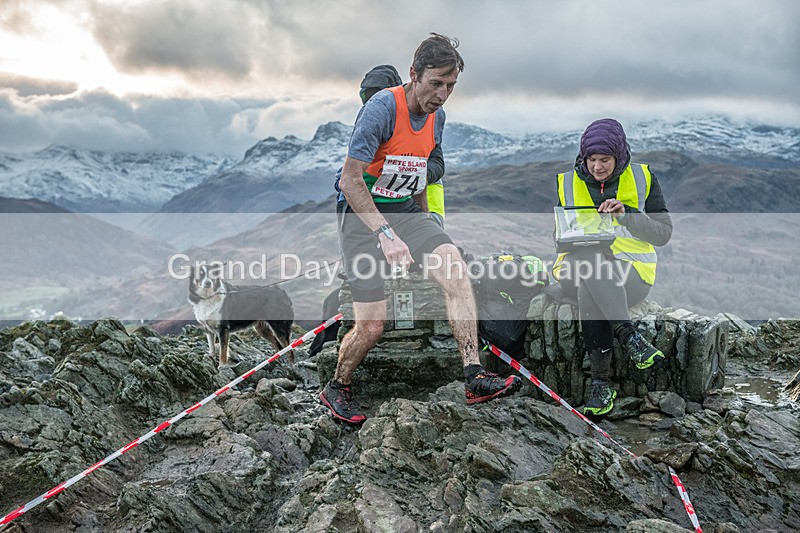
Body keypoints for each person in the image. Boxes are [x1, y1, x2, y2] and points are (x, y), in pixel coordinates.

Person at [321, 33, 521, 424]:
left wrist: (427, 219)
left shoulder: (437, 117)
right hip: (360, 215)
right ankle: (338, 384)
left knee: (455, 269)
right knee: (373, 324)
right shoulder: (382, 109)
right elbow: (350, 180)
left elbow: (428, 171)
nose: (443, 94)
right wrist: (385, 234)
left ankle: (473, 374)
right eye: (436, 83)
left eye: (450, 86)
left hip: (405, 209)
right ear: (413, 75)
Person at [552, 118, 673, 417]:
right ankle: (628, 336)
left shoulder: (644, 178)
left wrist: (628, 214)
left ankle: (601, 383)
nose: (597, 167)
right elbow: (559, 236)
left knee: (590, 282)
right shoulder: (567, 182)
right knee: (586, 261)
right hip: (574, 267)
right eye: (591, 159)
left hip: (630, 274)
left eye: (604, 159)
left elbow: (663, 234)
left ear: (619, 156)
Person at [336, 64, 447, 228]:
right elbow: (350, 175)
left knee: (430, 243)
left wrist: (411, 171)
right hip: (381, 202)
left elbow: (437, 163)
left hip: (422, 198)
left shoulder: (422, 118)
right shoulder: (373, 118)